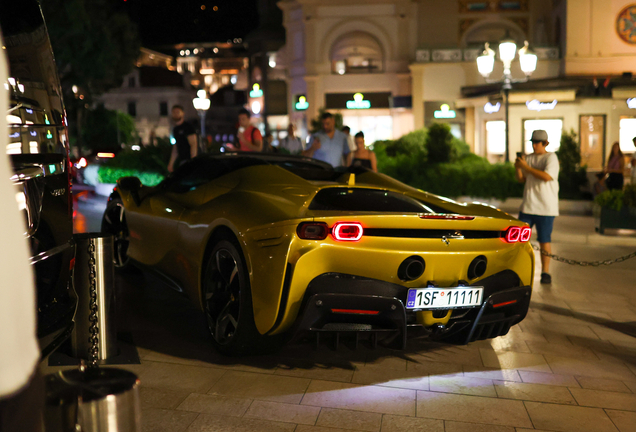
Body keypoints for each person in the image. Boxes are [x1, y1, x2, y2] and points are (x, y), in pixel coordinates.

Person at [514, 129, 560, 285]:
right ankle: (517, 271)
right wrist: (518, 167)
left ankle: (545, 272)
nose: (534, 146)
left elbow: (547, 177)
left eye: (537, 143)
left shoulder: (551, 158)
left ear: (545, 143)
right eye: (533, 142)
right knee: (518, 241)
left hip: (546, 207)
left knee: (544, 239)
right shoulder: (529, 159)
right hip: (528, 205)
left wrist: (526, 167)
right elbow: (521, 180)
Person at [167, 105, 197, 173]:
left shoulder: (188, 127)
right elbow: (176, 147)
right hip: (182, 159)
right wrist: (171, 164)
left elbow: (193, 144)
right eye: (174, 112)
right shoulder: (175, 129)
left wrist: (193, 161)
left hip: (188, 160)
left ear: (183, 113)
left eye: (178, 112)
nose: (175, 114)